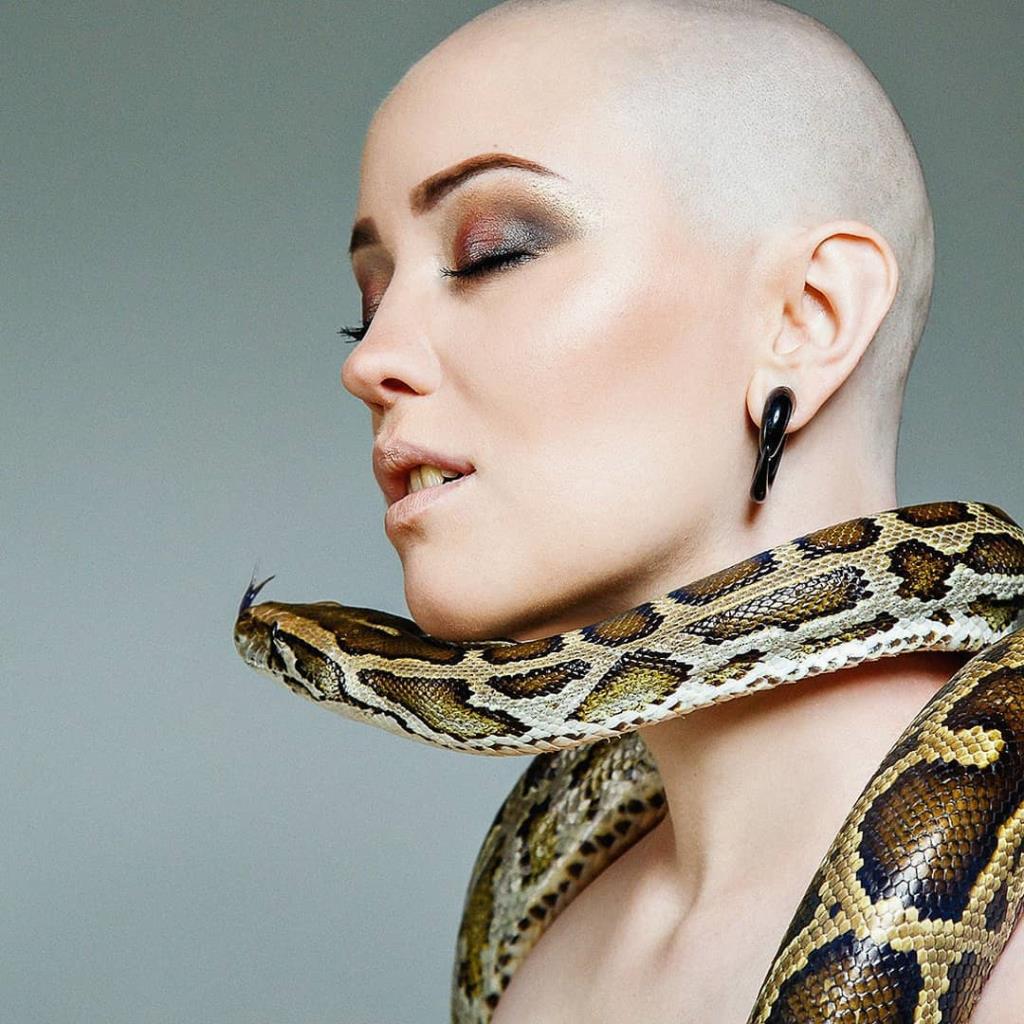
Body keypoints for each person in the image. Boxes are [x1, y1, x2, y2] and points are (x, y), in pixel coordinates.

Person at [339, 0, 1022, 1019]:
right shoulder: (555, 954)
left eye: (492, 253)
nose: (368, 362)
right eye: (367, 304)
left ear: (808, 317)